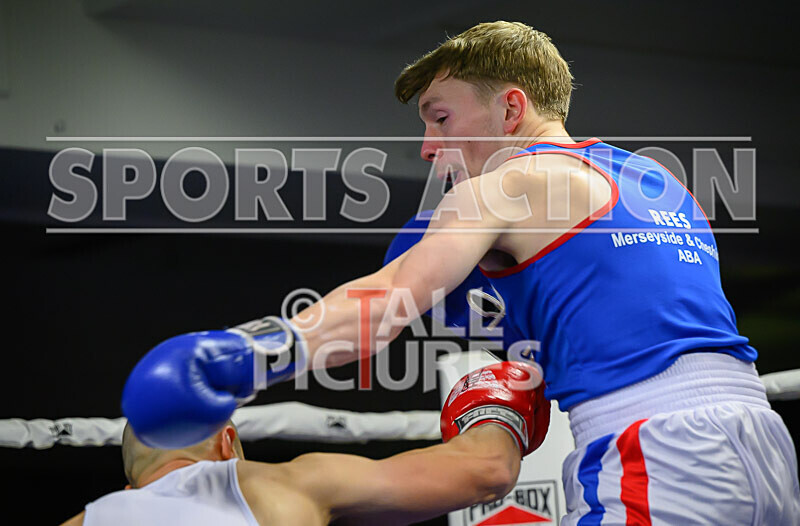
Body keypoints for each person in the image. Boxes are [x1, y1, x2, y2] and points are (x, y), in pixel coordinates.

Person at [122, 21, 799, 524]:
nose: (426, 146)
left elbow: (381, 305)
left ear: (510, 108)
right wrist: (527, 357)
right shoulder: (662, 182)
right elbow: (636, 318)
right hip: (764, 444)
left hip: (650, 449)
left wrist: (249, 353)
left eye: (441, 118)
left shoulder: (501, 188)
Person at [62, 360, 548, 526]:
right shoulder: (274, 486)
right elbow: (487, 471)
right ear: (227, 444)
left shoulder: (88, 518)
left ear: (128, 489)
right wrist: (497, 404)